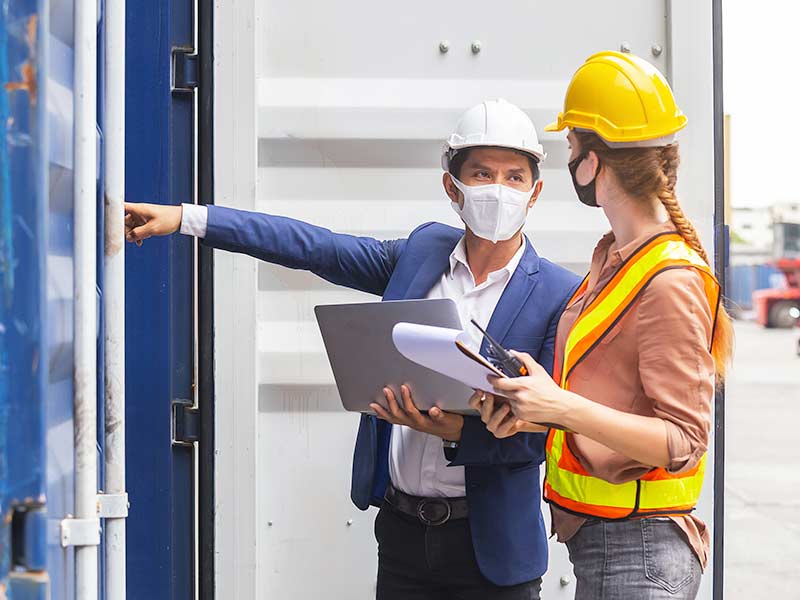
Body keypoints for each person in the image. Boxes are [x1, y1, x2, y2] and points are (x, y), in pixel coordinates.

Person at [124, 99, 581, 600]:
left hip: (493, 553)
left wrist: (454, 431)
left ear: (534, 193)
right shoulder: (421, 252)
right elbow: (315, 247)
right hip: (405, 538)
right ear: (452, 186)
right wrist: (188, 218)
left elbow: (549, 435)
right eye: (482, 173)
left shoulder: (558, 294)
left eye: (514, 177)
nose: (498, 190)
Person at [472, 52, 734, 600]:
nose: (569, 163)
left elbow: (683, 439)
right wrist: (530, 411)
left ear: (594, 161)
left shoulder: (669, 279)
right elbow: (614, 401)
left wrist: (559, 407)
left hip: (640, 555)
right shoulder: (616, 261)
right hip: (609, 549)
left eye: (570, 149)